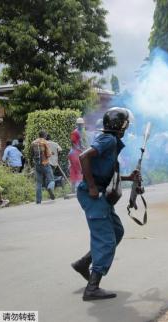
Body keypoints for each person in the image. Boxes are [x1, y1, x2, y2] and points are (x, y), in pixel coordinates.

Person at [71, 107, 140, 301]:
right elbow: (84, 157)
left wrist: (128, 177)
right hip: (94, 195)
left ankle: (84, 263)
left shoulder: (111, 140)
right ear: (122, 126)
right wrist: (92, 186)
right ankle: (92, 288)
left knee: (116, 231)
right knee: (106, 240)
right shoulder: (108, 140)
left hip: (101, 194)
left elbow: (104, 169)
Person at [30, 130, 56, 203]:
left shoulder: (33, 143)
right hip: (45, 164)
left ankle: (38, 200)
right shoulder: (45, 142)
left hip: (37, 165)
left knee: (39, 183)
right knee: (51, 180)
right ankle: (50, 188)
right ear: (45, 135)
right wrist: (52, 153)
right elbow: (48, 154)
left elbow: (31, 154)